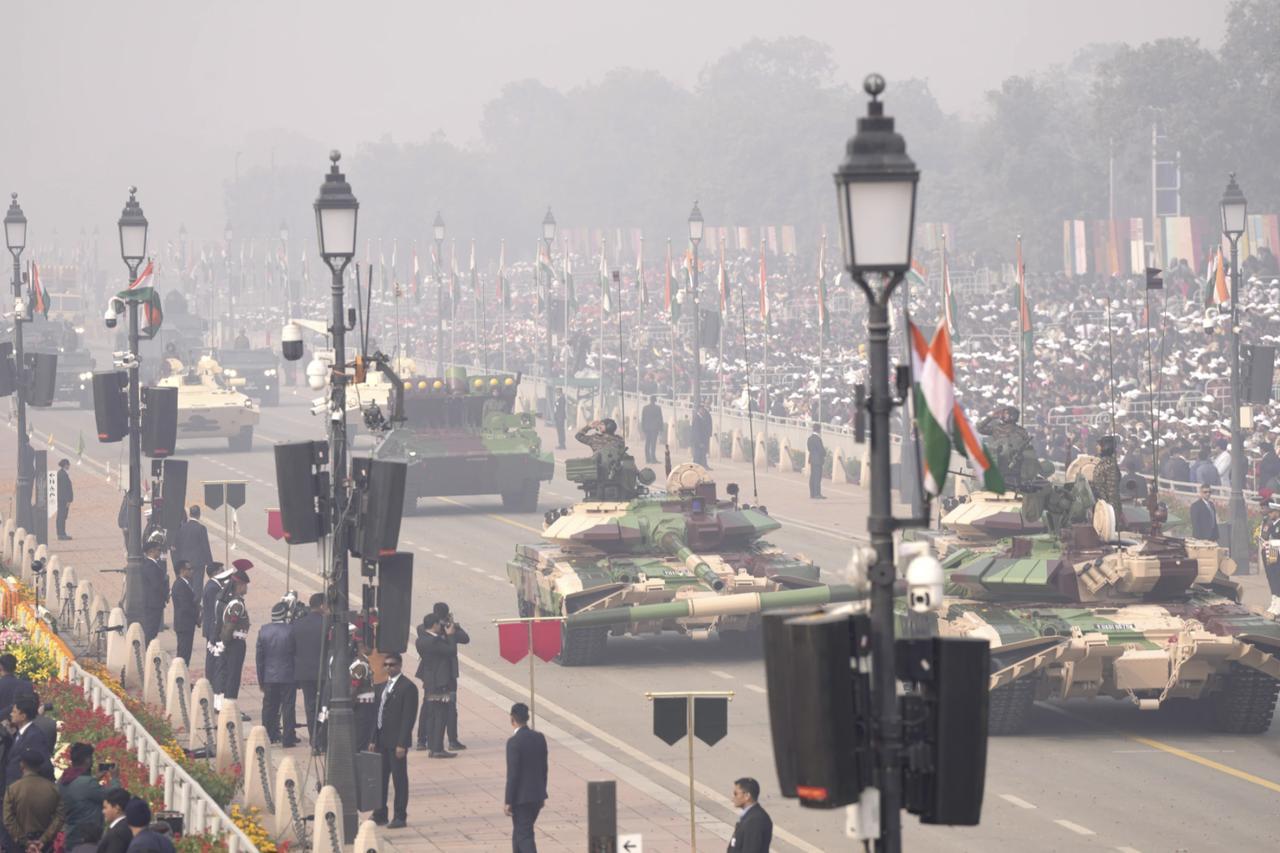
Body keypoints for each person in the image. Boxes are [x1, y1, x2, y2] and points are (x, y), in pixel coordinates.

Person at [368, 652, 418, 829]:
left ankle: (400, 815)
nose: (389, 667)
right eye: (386, 665)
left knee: (399, 779)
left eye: (392, 664)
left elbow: (408, 718)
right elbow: (377, 714)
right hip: (381, 740)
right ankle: (380, 813)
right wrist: (373, 738)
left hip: (396, 742)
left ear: (400, 665)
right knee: (380, 779)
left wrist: (402, 743)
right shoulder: (382, 687)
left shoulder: (408, 687)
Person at [505, 702, 547, 853]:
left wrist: (508, 800)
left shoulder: (513, 743)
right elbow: (544, 769)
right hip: (536, 795)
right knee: (519, 833)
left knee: (524, 835)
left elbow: (513, 774)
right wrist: (542, 793)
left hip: (521, 798)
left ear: (512, 719)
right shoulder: (539, 738)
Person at [2, 749, 63, 852]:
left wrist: (25, 841)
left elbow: (8, 819)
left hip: (19, 846)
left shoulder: (12, 789)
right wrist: (44, 839)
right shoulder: (53, 789)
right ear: (39, 767)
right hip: (44, 846)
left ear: (22, 765)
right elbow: (60, 817)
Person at [58, 743, 118, 849]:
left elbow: (81, 790)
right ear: (87, 760)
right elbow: (113, 796)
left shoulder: (63, 780)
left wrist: (95, 779)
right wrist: (115, 778)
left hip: (71, 835)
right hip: (87, 837)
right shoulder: (87, 784)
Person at [256, 600, 298, 747]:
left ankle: (267, 735)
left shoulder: (263, 630)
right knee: (288, 707)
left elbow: (259, 659)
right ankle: (288, 738)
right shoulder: (291, 630)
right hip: (288, 675)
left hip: (269, 675)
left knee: (269, 706)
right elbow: (296, 654)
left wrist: (261, 680)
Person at [414, 614, 457, 757]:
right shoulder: (434, 642)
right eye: (439, 624)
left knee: (432, 715)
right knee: (441, 714)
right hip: (440, 682)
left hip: (430, 681)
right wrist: (450, 635)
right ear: (434, 625)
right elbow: (451, 651)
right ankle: (438, 748)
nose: (441, 626)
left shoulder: (421, 640)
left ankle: (432, 747)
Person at [213, 566, 251, 708]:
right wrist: (225, 642)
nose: (246, 588)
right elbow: (229, 626)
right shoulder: (236, 605)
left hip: (231, 642)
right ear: (239, 585)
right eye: (245, 585)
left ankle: (225, 703)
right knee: (233, 675)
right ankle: (230, 705)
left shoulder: (234, 602)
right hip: (235, 643)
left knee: (229, 673)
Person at [291, 593, 326, 749]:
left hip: (305, 673)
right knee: (324, 707)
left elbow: (292, 649)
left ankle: (314, 739)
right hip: (324, 673)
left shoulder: (297, 625)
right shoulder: (327, 623)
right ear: (322, 605)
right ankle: (323, 738)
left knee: (310, 706)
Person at [434, 602, 468, 751]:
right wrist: (453, 629)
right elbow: (464, 639)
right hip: (447, 674)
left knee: (431, 708)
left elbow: (466, 639)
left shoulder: (427, 627)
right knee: (450, 709)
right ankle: (452, 740)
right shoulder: (449, 629)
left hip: (433, 675)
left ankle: (424, 740)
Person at [2, 698, 50, 789]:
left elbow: (42, 763)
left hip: (23, 788)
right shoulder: (19, 733)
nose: (11, 714)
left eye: (14, 712)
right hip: (12, 787)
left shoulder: (34, 736)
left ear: (23, 716)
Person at [200, 565, 229, 701]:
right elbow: (215, 610)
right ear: (215, 573)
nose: (224, 572)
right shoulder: (213, 588)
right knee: (213, 659)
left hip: (213, 628)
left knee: (213, 658)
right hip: (213, 628)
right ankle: (211, 683)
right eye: (221, 570)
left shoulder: (215, 586)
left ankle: (211, 681)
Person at [172, 506, 213, 591]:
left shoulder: (182, 528)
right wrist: (210, 564)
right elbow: (205, 547)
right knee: (197, 586)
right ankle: (196, 603)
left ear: (190, 514)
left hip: (185, 563)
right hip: (198, 563)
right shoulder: (201, 528)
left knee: (187, 585)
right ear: (199, 515)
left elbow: (178, 546)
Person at [140, 532, 170, 646]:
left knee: (153, 628)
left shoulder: (154, 564)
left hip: (154, 602)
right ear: (151, 551)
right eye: (158, 550)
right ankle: (148, 649)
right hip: (153, 603)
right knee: (151, 629)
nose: (160, 552)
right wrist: (166, 593)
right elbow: (156, 585)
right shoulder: (150, 566)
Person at [728, 777, 772, 852]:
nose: (733, 798)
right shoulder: (751, 816)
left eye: (736, 794)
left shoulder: (755, 821)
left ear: (747, 796)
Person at [170, 562, 198, 666]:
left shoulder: (185, 583)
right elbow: (185, 606)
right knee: (183, 653)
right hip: (184, 624)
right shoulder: (180, 585)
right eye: (189, 569)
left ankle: (183, 673)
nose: (192, 571)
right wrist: (197, 614)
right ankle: (180, 674)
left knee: (186, 652)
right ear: (182, 571)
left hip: (187, 623)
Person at [1090, 436, 1122, 519]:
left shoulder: (1110, 465)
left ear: (1105, 447)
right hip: (1101, 505)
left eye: (1099, 445)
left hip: (1108, 508)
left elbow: (1112, 491)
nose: (1097, 447)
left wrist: (1111, 513)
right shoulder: (1103, 463)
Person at [1260, 498, 1280, 616]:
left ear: (1277, 512)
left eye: (1272, 512)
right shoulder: (1272, 524)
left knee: (1277, 578)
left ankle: (1278, 603)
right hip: (1271, 552)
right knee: (1271, 577)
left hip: (1276, 552)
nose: (1270, 514)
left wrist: (1271, 543)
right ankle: (1274, 601)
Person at [97, 789, 133, 853]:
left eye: (105, 807)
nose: (103, 811)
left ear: (117, 808)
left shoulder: (117, 833)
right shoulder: (128, 826)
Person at [640, 395, 664, 464]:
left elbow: (643, 419)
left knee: (647, 443)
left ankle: (647, 459)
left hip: (647, 428)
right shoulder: (658, 408)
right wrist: (661, 429)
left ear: (650, 400)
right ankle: (653, 459)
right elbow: (660, 419)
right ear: (655, 400)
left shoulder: (645, 408)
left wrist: (643, 428)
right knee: (653, 444)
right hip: (654, 429)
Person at [807, 423, 826, 499]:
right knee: (817, 477)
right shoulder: (818, 439)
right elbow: (821, 450)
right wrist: (824, 453)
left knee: (812, 477)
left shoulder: (810, 438)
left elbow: (809, 448)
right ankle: (817, 494)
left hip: (812, 459)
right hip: (818, 460)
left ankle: (812, 493)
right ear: (819, 430)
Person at [55, 459, 73, 541]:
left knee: (61, 516)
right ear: (65, 465)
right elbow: (65, 489)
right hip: (63, 499)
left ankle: (61, 533)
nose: (69, 466)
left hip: (61, 499)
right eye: (68, 464)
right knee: (62, 516)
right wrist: (68, 500)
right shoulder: (63, 475)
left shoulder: (61, 473)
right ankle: (61, 534)